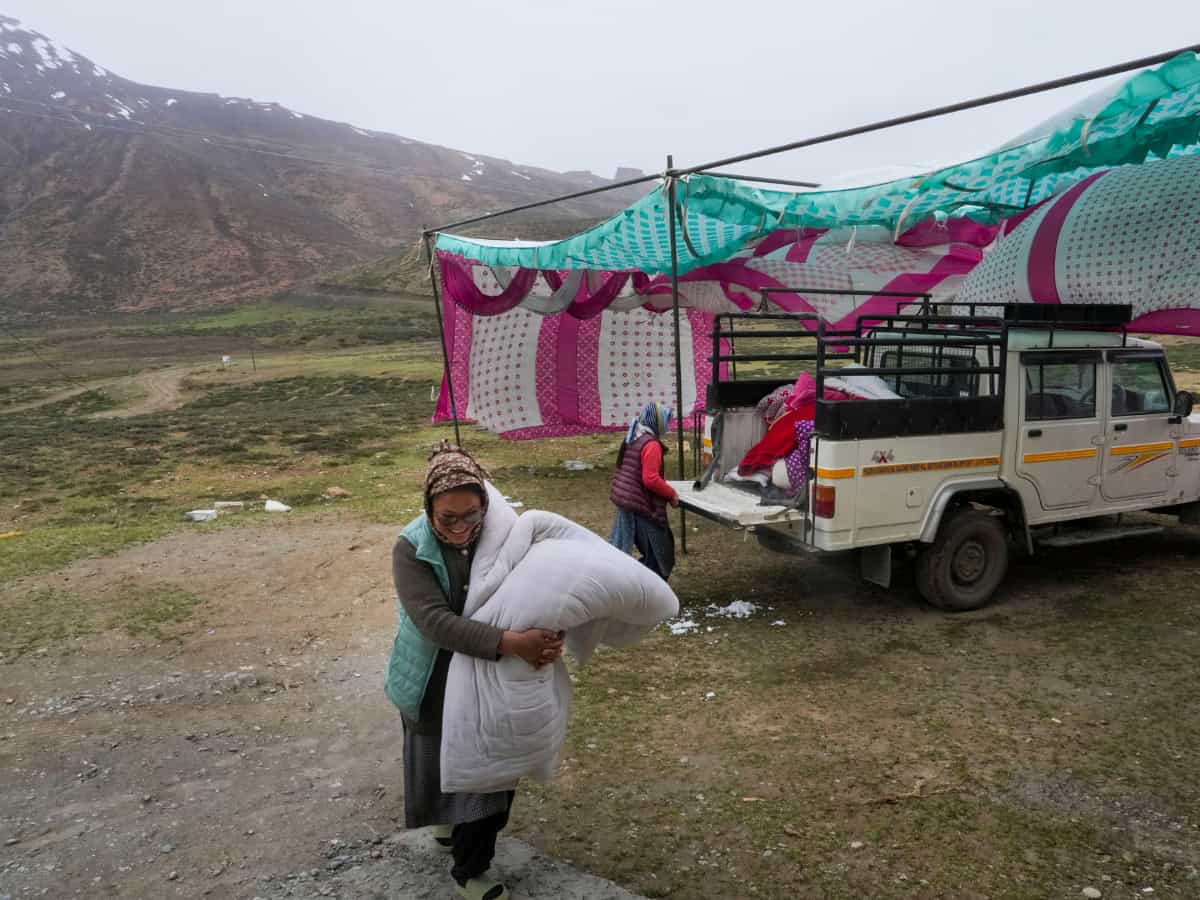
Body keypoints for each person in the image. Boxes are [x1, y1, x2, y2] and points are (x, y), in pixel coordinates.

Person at [386, 442, 564, 900]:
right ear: (429, 509)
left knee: (489, 770)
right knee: (439, 759)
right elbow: (434, 622)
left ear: (485, 504)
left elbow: (535, 586)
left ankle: (470, 861)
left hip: (489, 675)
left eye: (472, 515)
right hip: (431, 677)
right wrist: (511, 643)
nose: (463, 528)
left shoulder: (499, 536)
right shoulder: (410, 549)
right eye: (449, 518)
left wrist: (548, 630)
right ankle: (467, 866)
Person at [608, 401, 679, 581]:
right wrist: (671, 494)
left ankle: (634, 590)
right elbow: (650, 479)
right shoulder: (651, 445)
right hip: (641, 508)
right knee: (659, 559)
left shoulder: (635, 436)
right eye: (666, 422)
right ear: (657, 422)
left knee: (652, 557)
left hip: (629, 503)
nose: (667, 427)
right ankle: (642, 594)